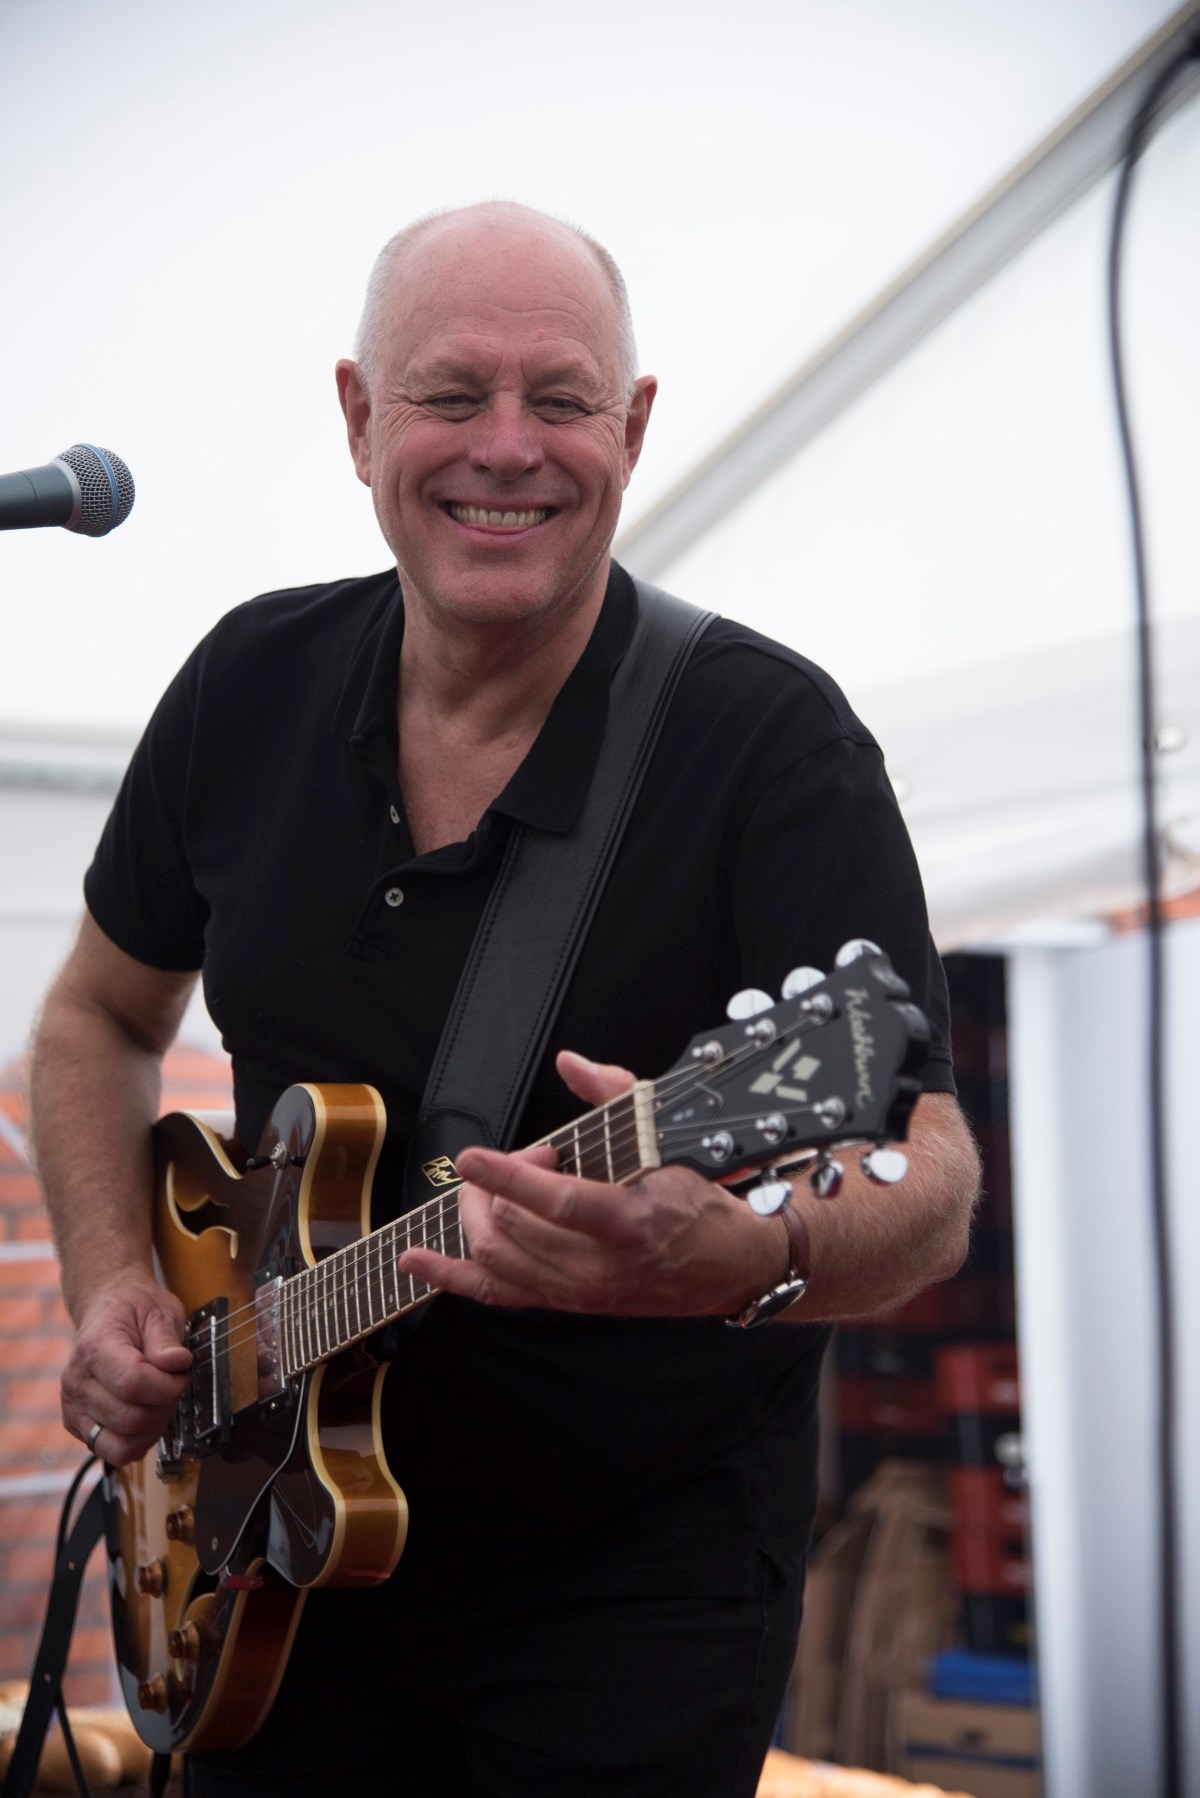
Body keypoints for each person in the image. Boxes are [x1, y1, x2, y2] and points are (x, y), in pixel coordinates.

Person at [30, 202, 979, 1797]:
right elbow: (95, 1019)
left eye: (562, 399)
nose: (508, 447)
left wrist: (744, 1258)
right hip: (272, 1562)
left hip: (628, 1589)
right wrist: (116, 1278)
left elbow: (929, 1176)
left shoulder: (771, 746)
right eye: (452, 394)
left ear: (636, 427)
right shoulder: (246, 685)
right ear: (359, 418)